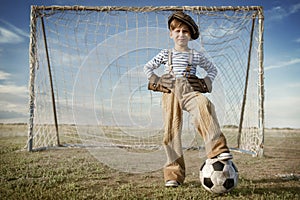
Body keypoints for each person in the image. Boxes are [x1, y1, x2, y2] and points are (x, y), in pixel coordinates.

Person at [144, 11, 233, 187]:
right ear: (171, 34)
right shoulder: (165, 54)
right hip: (170, 90)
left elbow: (213, 70)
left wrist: (204, 83)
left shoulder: (196, 55)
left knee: (204, 103)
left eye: (185, 31)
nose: (181, 34)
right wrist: (157, 81)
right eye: (177, 31)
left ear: (190, 35)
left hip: (189, 90)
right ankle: (173, 175)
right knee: (171, 129)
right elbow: (147, 67)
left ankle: (217, 149)